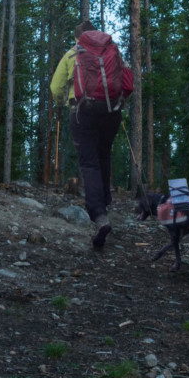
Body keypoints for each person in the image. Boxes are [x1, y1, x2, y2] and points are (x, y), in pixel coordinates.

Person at [51, 20, 125, 249]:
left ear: (77, 37)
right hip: (111, 111)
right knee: (104, 154)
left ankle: (99, 215)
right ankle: (105, 200)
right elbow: (126, 79)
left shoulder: (72, 54)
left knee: (89, 162)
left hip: (82, 112)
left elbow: (56, 88)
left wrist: (65, 102)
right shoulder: (113, 50)